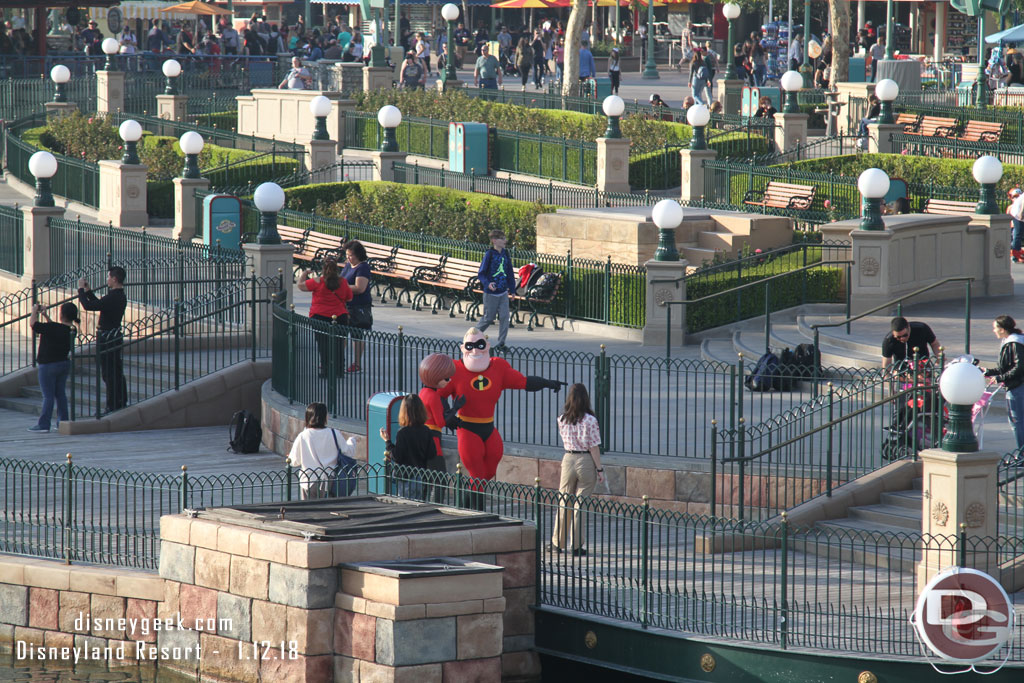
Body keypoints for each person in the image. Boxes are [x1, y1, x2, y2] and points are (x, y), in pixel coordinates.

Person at [439, 328, 564, 509]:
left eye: (480, 345)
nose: (475, 350)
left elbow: (524, 382)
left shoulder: (498, 367)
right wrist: (448, 414)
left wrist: (547, 383)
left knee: (487, 474)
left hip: (489, 428)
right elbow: (437, 392)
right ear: (462, 348)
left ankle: (464, 506)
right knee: (477, 475)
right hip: (467, 429)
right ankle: (476, 512)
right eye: (470, 346)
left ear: (487, 346)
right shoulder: (454, 370)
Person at [550, 383, 605, 556]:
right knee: (579, 504)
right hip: (585, 460)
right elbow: (594, 447)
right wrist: (600, 469)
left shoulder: (562, 418)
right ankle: (576, 546)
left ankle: (557, 543)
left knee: (563, 500)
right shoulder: (590, 420)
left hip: (568, 459)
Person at [78, 266, 128, 412]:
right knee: (116, 370)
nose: (107, 280)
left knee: (109, 373)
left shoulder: (114, 296)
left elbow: (88, 306)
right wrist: (88, 291)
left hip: (107, 337)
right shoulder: (118, 295)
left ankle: (113, 404)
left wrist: (80, 290)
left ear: (114, 279)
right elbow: (100, 305)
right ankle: (120, 400)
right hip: (113, 335)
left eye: (108, 277)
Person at [27, 302, 79, 433]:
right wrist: (45, 315)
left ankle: (44, 424)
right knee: (60, 394)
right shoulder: (72, 330)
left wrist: (34, 311)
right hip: (63, 364)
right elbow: (54, 327)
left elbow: (33, 324)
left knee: (48, 396)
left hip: (48, 365)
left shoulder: (53, 328)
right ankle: (63, 421)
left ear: (61, 314)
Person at [288, 402, 358, 499]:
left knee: (311, 511)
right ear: (324, 417)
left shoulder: (303, 436)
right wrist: (352, 441)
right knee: (330, 510)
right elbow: (348, 452)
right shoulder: (334, 433)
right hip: (330, 480)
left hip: (309, 481)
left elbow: (294, 461)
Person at [298, 256, 352, 377]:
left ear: (323, 268)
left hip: (319, 317)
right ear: (337, 269)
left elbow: (300, 285)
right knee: (338, 343)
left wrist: (304, 273)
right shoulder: (343, 282)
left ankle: (325, 370)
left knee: (323, 345)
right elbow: (349, 297)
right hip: (340, 316)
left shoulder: (317, 281)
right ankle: (339, 371)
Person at [380, 394, 437, 499]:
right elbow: (432, 454)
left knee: (406, 506)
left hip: (407, 477)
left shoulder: (403, 433)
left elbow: (397, 456)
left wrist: (387, 441)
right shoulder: (426, 431)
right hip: (422, 476)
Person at [984, 316, 1024, 449]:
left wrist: (1001, 378)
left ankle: (1022, 456)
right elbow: (1005, 366)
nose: (993, 330)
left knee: (1017, 422)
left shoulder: (1014, 342)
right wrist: (988, 372)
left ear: (1002, 329)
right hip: (1014, 385)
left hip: (1018, 386)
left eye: (995, 327)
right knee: (1016, 421)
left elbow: (1019, 367)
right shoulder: (1009, 341)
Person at [477, 229, 514, 349]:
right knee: (488, 318)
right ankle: (472, 336)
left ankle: (501, 343)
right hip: (491, 293)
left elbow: (509, 272)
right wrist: (487, 284)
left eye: (504, 238)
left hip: (503, 292)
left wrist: (512, 289)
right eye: (502, 238)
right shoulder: (489, 254)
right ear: (494, 240)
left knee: (504, 317)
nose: (505, 241)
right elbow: (481, 273)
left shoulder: (505, 253)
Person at [341, 240, 372, 373]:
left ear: (358, 254)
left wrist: (342, 288)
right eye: (347, 255)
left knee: (356, 335)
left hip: (358, 306)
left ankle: (357, 363)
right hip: (344, 305)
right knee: (341, 334)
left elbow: (360, 288)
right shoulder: (348, 265)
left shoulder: (363, 267)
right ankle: (339, 360)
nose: (348, 257)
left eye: (351, 255)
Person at [1007, 188, 1024, 263]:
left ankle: (1018, 252)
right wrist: (1021, 218)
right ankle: (1015, 255)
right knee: (1018, 234)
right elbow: (1021, 209)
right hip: (1018, 214)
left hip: (1020, 214)